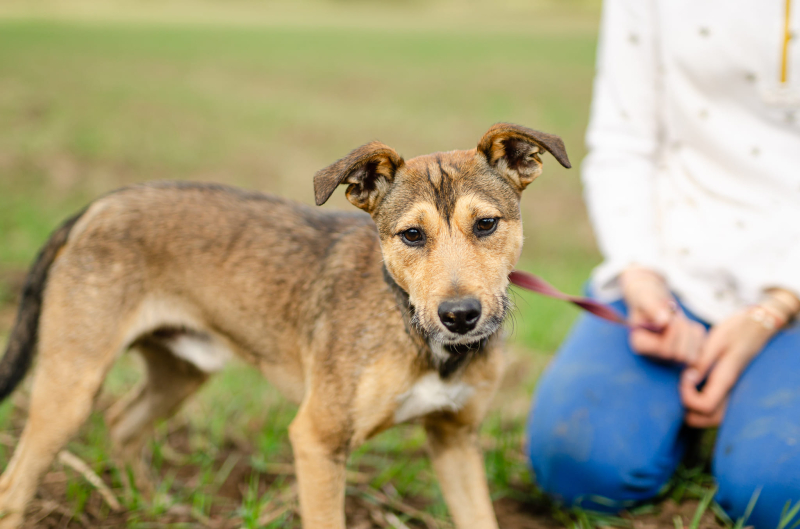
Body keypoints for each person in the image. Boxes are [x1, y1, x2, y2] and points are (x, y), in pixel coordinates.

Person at [526, 1, 800, 527]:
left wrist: (775, 307)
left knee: (779, 497)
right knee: (576, 463)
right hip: (678, 257)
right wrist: (641, 274)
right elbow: (623, 141)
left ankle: (754, 398)